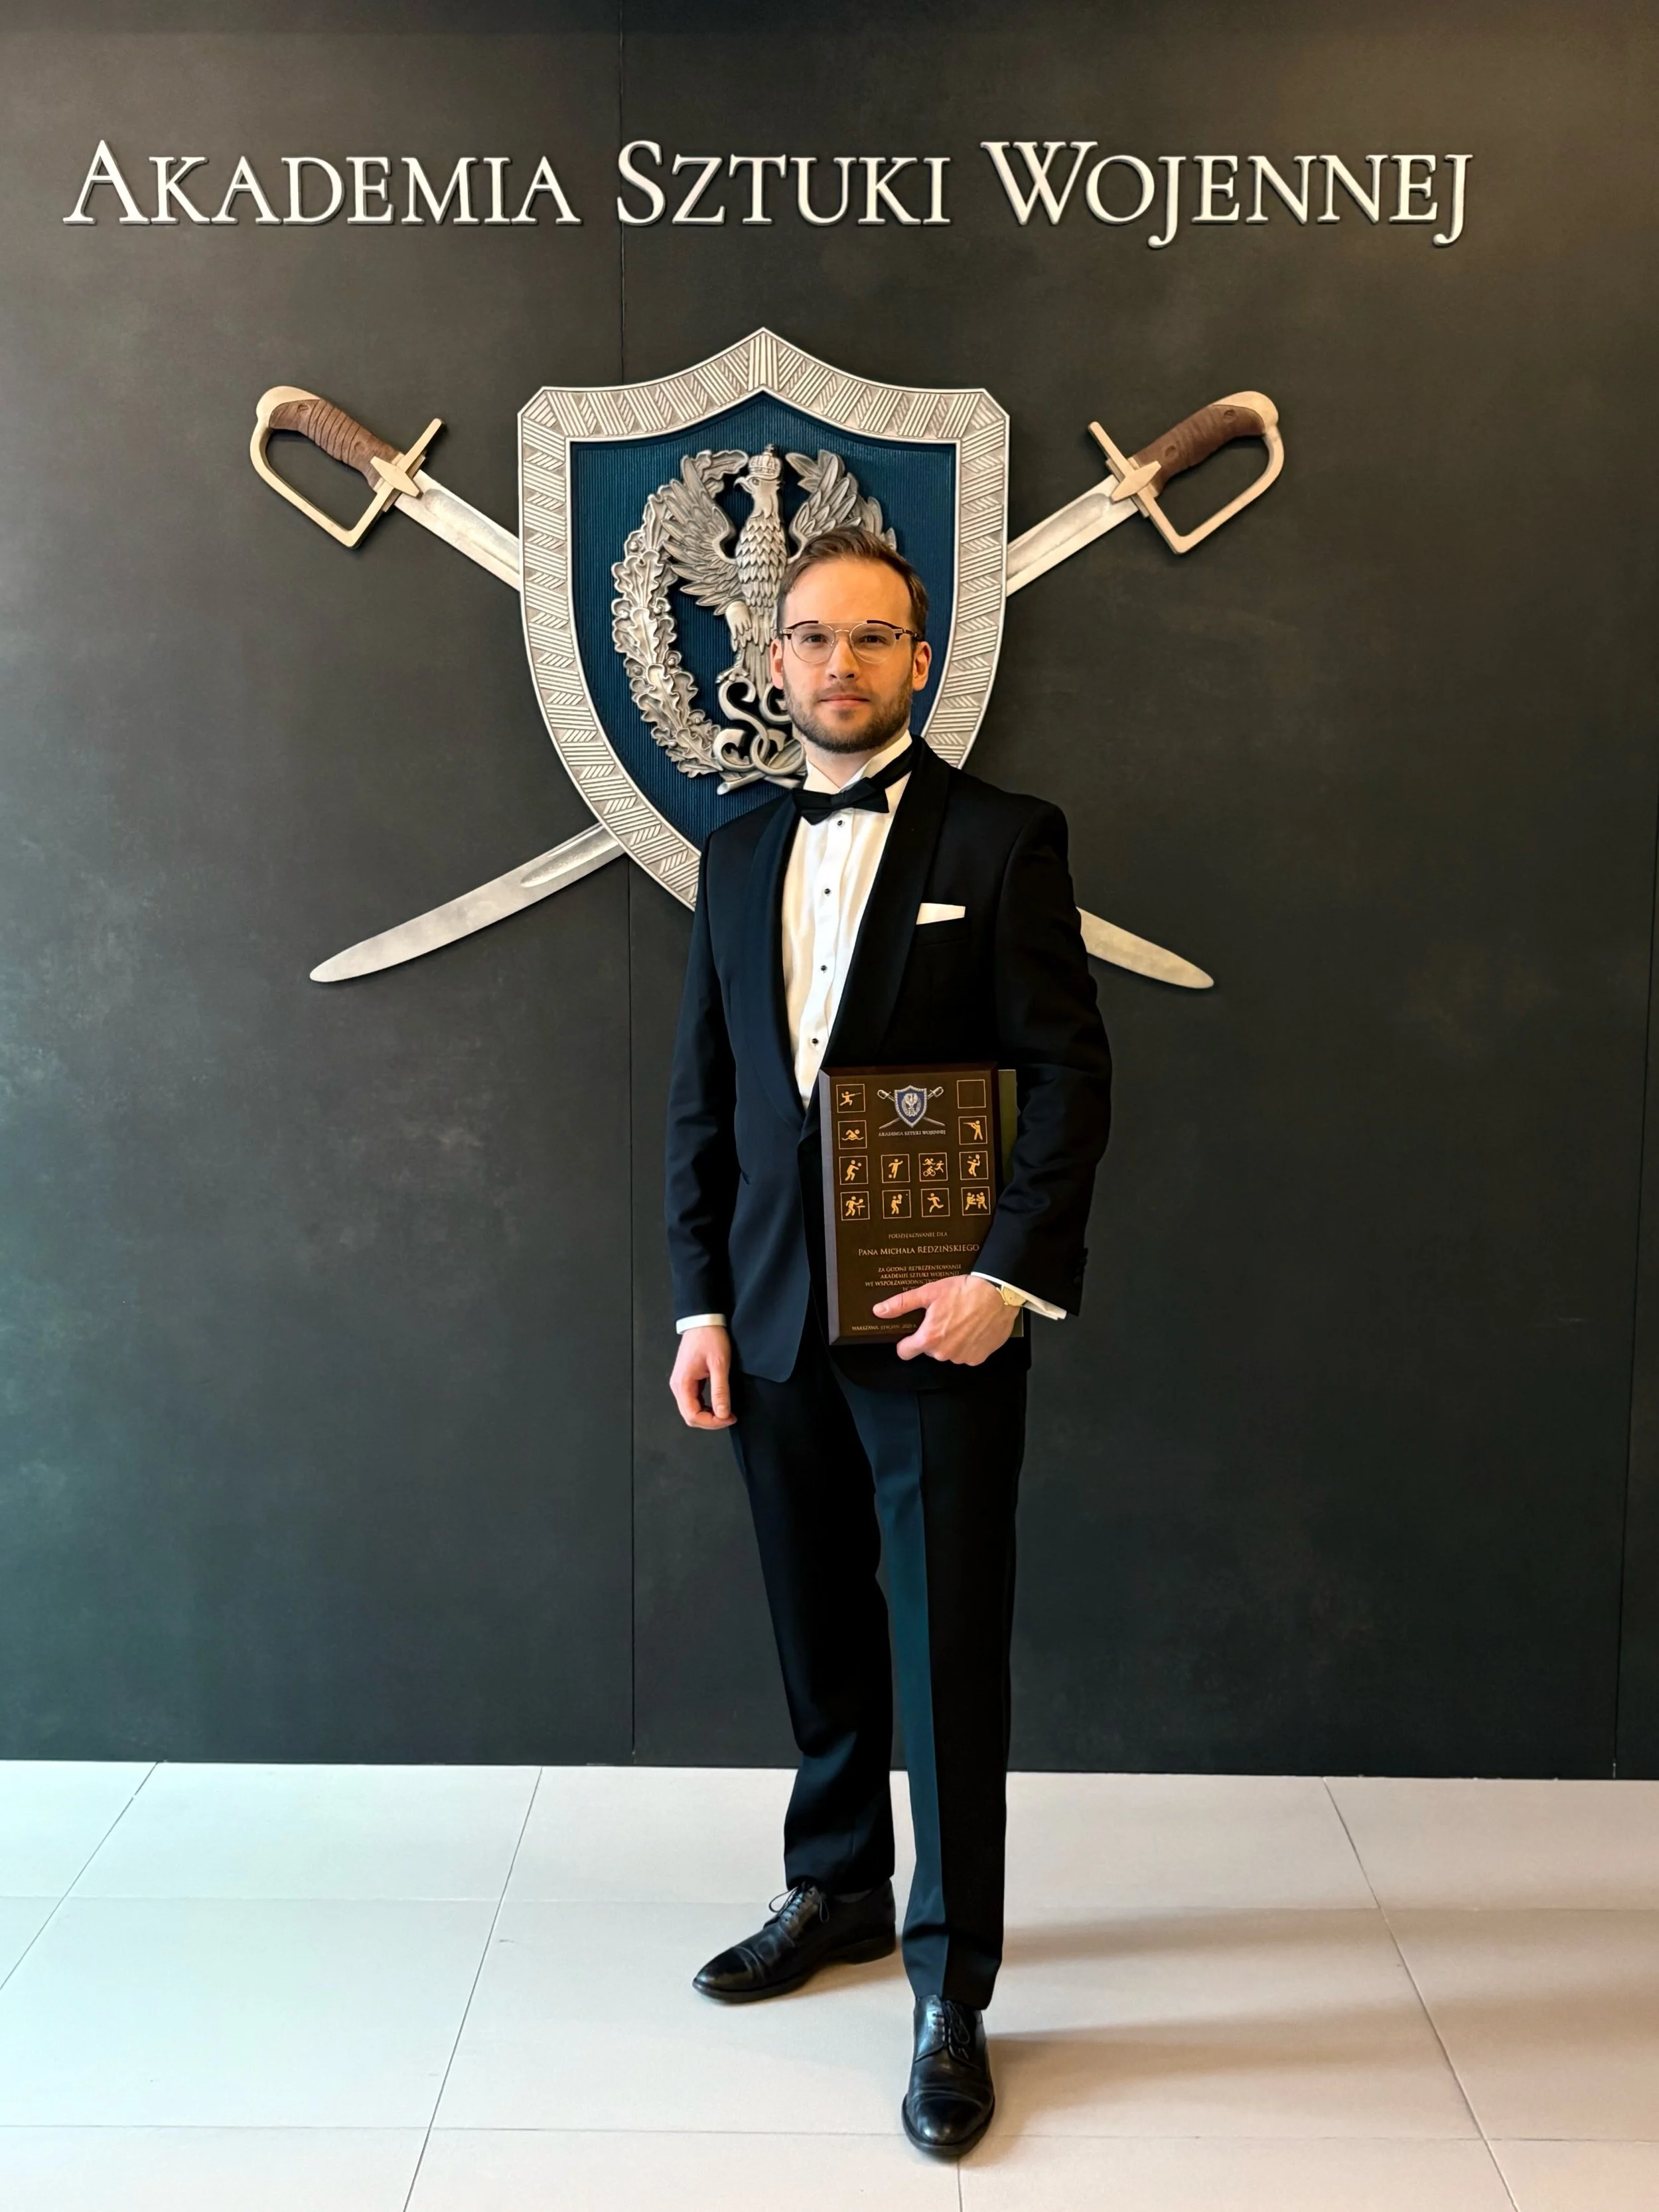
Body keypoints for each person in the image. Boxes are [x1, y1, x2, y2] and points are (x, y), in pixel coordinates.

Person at [664, 526, 1112, 2158]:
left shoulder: (1001, 838)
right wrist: (699, 1300)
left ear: (918, 659)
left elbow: (1066, 1076)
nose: (838, 663)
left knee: (943, 1655)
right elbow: (707, 1099)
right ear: (773, 661)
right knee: (819, 1634)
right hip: (772, 1316)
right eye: (811, 638)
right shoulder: (731, 855)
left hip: (940, 1329)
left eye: (871, 637)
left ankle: (949, 1984)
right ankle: (839, 1885)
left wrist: (1007, 1279)